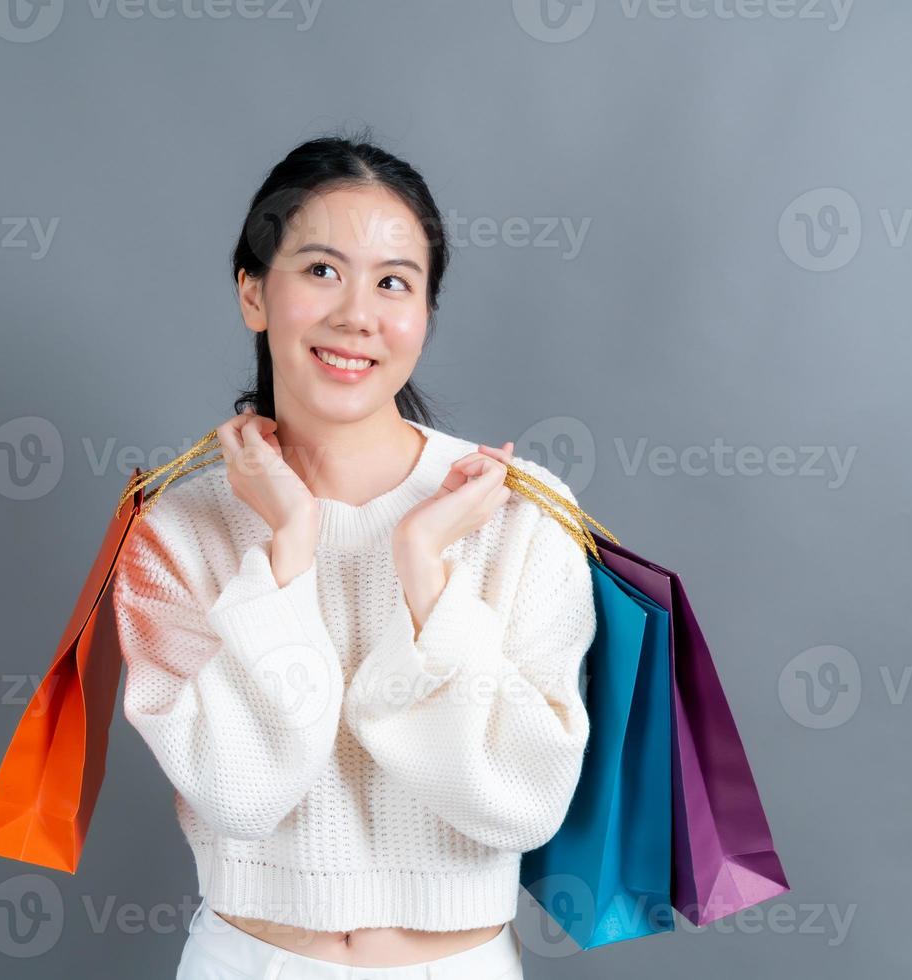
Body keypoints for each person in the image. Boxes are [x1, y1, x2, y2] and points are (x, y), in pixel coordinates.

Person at [112, 130, 596, 979]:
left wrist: (425, 575)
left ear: (425, 315)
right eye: (321, 270)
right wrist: (286, 555)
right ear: (254, 292)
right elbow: (240, 794)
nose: (356, 315)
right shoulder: (175, 529)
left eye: (393, 283)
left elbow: (522, 801)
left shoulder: (519, 515)